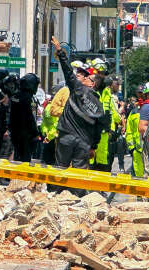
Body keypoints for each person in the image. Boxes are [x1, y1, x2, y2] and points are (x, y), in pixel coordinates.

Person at [51, 36, 103, 183]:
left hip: (66, 137)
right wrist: (93, 146)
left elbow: (67, 71)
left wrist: (60, 52)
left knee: (60, 171)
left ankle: (57, 197)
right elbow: (98, 128)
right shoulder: (98, 105)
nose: (85, 78)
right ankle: (76, 199)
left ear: (92, 84)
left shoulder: (78, 89)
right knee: (79, 176)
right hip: (83, 143)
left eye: (88, 78)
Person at [9, 73, 41, 162]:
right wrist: (35, 133)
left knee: (17, 158)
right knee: (25, 160)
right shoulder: (28, 98)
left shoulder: (15, 96)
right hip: (26, 135)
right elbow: (30, 117)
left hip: (15, 133)